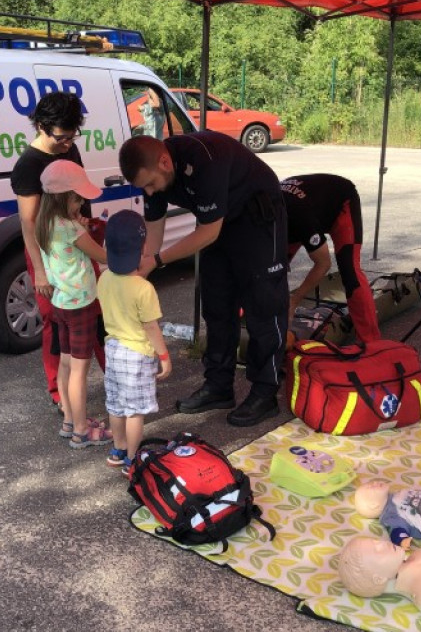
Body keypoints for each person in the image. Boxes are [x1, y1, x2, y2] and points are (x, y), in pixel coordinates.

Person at [118, 131, 289, 427]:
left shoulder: (204, 159)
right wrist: (142, 269)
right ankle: (219, 386)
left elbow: (208, 232)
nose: (148, 193)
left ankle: (265, 392)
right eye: (141, 188)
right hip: (217, 224)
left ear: (164, 162)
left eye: (149, 184)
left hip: (257, 218)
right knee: (216, 304)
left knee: (263, 306)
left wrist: (159, 261)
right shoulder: (154, 180)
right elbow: (154, 230)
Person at [11, 92, 105, 409]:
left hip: (76, 239)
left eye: (72, 137)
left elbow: (76, 190)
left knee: (95, 307)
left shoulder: (70, 148)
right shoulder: (28, 165)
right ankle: (59, 390)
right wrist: (39, 270)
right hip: (49, 254)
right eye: (62, 138)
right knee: (56, 319)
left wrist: (82, 219)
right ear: (41, 126)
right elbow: (29, 222)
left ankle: (113, 377)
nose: (68, 145)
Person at [35, 160, 112, 449]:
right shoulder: (70, 229)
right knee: (81, 370)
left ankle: (70, 419)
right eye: (77, 198)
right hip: (81, 305)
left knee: (66, 364)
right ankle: (81, 430)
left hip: (61, 304)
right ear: (62, 197)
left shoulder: (45, 225)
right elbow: (101, 257)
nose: (81, 204)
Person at [97, 210, 172, 470]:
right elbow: (150, 327)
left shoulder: (104, 278)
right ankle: (131, 457)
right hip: (137, 354)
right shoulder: (143, 288)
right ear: (141, 248)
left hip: (113, 350)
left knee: (116, 405)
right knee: (135, 411)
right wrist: (164, 356)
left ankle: (117, 449)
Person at [280, 174, 380, 342]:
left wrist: (295, 300)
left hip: (341, 202)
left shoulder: (300, 217)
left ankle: (371, 341)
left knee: (349, 270)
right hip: (301, 209)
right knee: (275, 268)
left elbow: (323, 263)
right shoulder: (259, 217)